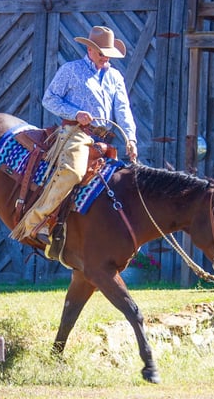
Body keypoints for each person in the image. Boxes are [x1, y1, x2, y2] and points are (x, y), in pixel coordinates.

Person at [14, 25, 139, 248]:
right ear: (90, 50)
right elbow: (49, 99)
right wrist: (75, 113)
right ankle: (36, 221)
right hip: (75, 134)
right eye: (102, 54)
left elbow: (123, 109)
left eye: (109, 54)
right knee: (72, 172)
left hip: (104, 139)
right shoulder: (70, 70)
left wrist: (130, 138)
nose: (106, 59)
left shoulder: (115, 77)